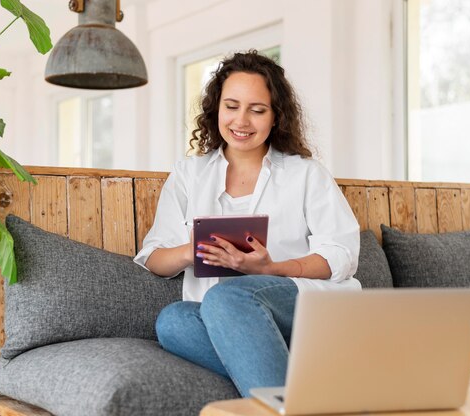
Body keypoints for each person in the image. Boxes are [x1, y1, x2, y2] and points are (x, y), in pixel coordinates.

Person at [134, 50, 360, 397]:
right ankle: (292, 377)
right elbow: (154, 256)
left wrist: (273, 268)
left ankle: (284, 395)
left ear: (275, 118)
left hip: (300, 303)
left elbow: (341, 254)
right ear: (216, 109)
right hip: (228, 314)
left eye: (257, 110)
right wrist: (190, 251)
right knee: (174, 320)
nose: (242, 121)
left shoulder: (305, 173)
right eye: (232, 106)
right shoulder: (188, 174)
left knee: (227, 298)